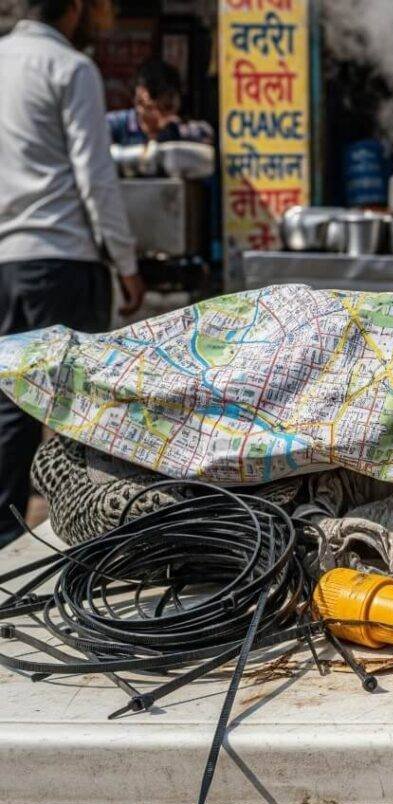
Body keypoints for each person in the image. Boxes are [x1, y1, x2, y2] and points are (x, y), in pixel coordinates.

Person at [0, 0, 144, 548]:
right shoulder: (70, 67)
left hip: (6, 263)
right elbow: (94, 175)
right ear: (76, 7)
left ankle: (5, 548)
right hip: (62, 260)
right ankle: (85, 545)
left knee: (8, 411)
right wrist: (126, 263)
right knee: (81, 409)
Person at [107, 58, 214, 146]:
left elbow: (206, 136)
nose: (163, 115)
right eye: (152, 108)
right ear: (139, 103)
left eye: (169, 107)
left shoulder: (184, 130)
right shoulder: (115, 125)